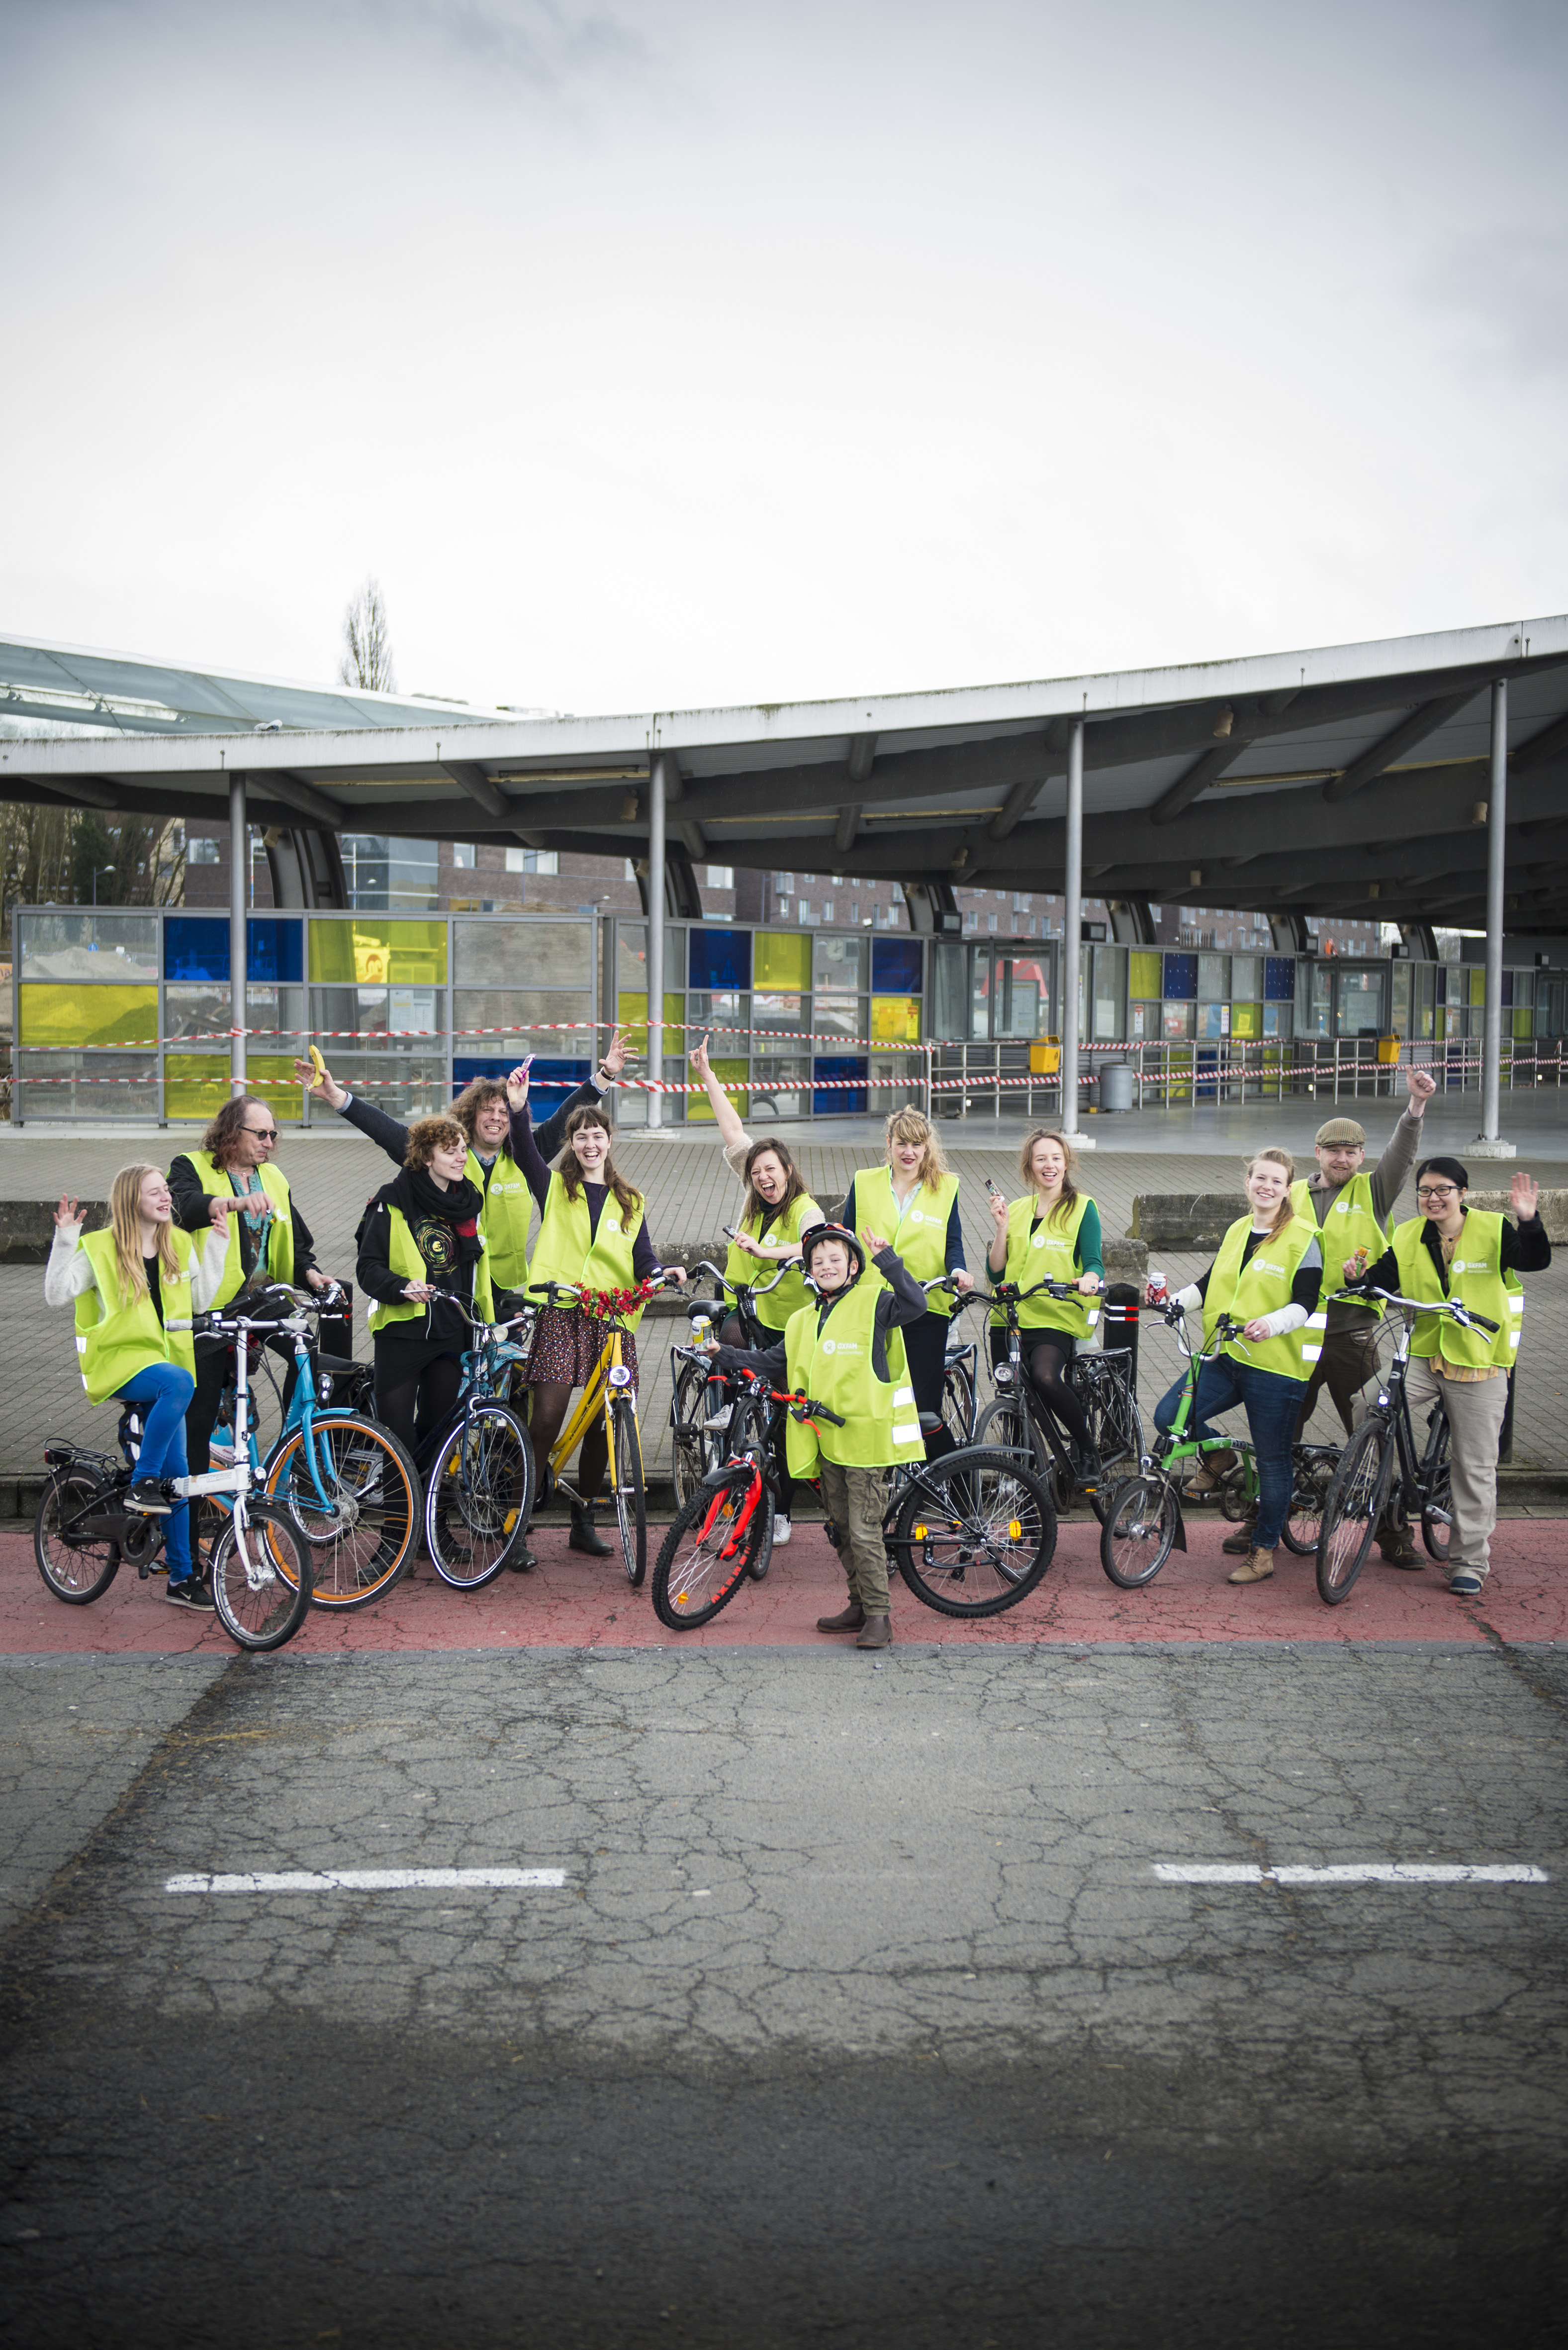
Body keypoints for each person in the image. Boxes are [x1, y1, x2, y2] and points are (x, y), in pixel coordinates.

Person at [1224, 1064, 1435, 1569]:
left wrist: (1415, 1108)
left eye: (1351, 1151)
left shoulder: (1374, 1190)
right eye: (1333, 1149)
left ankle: (1392, 1531)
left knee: (1371, 1430)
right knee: (1278, 1431)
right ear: (1317, 1153)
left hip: (1350, 1332)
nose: (1342, 1158)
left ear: (1362, 1157)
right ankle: (1263, 1518)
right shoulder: (1290, 1196)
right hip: (1292, 1332)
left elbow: (1403, 1157)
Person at [706, 1222, 926, 1651]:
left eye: (835, 1259)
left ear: (853, 1266)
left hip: (865, 1439)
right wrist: (725, 1354)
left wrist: (888, 1259)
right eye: (817, 1261)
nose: (826, 1266)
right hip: (824, 1439)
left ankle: (879, 1616)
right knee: (841, 1527)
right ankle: (858, 1604)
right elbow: (773, 1361)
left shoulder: (876, 1303)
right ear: (808, 1270)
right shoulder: (802, 1319)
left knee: (864, 1531)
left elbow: (916, 1303)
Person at [294, 1031, 630, 1300]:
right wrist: (338, 1097)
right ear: (471, 1115)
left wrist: (605, 1075)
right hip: (448, 1277)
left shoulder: (527, 1157)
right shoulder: (442, 1155)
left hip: (502, 1283)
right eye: (487, 1110)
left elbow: (562, 1119)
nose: (496, 1118)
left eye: (503, 1112)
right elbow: (388, 1133)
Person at [1343, 1160, 1550, 1598]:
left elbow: (1533, 1261)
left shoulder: (1494, 1229)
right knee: (1366, 1401)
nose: (1432, 1198)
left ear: (1463, 1193)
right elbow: (1385, 1276)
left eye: (1443, 1190)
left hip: (1479, 1360)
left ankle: (1469, 1561)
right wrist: (1359, 1279)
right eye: (1424, 1191)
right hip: (1423, 1354)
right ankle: (1385, 1482)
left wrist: (1528, 1220)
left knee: (1473, 1467)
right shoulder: (1407, 1234)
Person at [508, 1084, 686, 1557]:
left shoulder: (631, 1199)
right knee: (545, 1419)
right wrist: (520, 1107)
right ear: (572, 1143)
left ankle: (582, 1519)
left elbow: (642, 1256)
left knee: (602, 1428)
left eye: (597, 1136)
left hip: (611, 1323)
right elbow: (525, 1152)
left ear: (609, 1142)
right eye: (581, 1136)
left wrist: (659, 1273)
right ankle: (519, 1517)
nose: (590, 1144)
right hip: (562, 1314)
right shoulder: (554, 1188)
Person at [45, 1165, 230, 1610]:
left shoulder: (178, 1243)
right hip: (122, 1362)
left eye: (166, 1191)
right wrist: (67, 1238)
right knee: (178, 1387)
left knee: (180, 1477)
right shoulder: (101, 1248)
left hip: (167, 1371)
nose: (166, 1198)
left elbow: (200, 1301)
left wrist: (219, 1245)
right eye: (155, 1192)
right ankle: (142, 1481)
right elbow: (56, 1294)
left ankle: (182, 1579)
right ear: (133, 1201)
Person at [1148, 1147, 1324, 1587]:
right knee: (1170, 1417)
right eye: (1259, 1178)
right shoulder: (1237, 1229)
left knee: (1272, 1462)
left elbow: (1306, 1302)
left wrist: (1272, 1323)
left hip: (1275, 1366)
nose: (1266, 1187)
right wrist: (1174, 1302)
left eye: (1276, 1182)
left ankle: (1262, 1552)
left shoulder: (1305, 1236)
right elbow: (1211, 1284)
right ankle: (1219, 1454)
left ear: (1287, 1190)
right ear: (1247, 1181)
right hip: (1224, 1355)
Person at [688, 1034, 826, 1546]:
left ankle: (783, 1511)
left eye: (772, 1170)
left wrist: (774, 1252)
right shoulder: (750, 1189)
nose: (764, 1177)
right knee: (725, 1335)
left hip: (790, 1321)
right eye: (757, 1171)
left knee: (788, 1420)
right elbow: (732, 1128)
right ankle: (728, 1404)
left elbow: (817, 1238)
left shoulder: (803, 1205)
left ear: (788, 1171)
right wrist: (706, 1075)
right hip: (747, 1304)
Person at [169, 1098, 331, 1478]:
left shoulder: (274, 1178)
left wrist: (310, 1274)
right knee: (200, 1414)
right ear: (231, 1133)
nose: (269, 1143)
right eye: (261, 1134)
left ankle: (292, 1449)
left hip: (261, 1300)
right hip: (209, 1307)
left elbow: (296, 1243)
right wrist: (233, 1203)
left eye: (273, 1134)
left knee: (305, 1351)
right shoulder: (189, 1166)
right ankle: (190, 1511)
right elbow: (182, 1207)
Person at [356, 1115, 495, 1461]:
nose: (461, 1157)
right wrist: (401, 1285)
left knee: (438, 1431)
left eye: (463, 1150)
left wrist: (483, 1325)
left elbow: (475, 1275)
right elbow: (368, 1268)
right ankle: (398, 1514)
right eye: (450, 1152)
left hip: (449, 1333)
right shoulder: (391, 1201)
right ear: (427, 1158)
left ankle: (431, 1511)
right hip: (403, 1333)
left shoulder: (469, 1205)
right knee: (395, 1437)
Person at [840, 1108, 972, 1458]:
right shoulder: (864, 1181)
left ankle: (950, 1485)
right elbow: (846, 1239)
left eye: (917, 1144)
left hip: (926, 1307)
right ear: (889, 1144)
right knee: (876, 1399)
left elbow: (953, 1243)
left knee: (923, 1408)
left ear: (927, 1148)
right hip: (873, 1306)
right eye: (902, 1143)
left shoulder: (945, 1188)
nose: (908, 1152)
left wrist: (958, 1270)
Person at [985, 1128, 1106, 1487]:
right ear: (1029, 1166)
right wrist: (1002, 1228)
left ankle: (1086, 1448)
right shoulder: (1018, 1210)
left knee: (1046, 1377)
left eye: (1055, 1158)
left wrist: (1090, 1280)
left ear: (1066, 1163)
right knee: (1013, 1395)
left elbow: (1095, 1263)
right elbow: (995, 1271)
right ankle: (1025, 1475)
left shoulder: (1083, 1208)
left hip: (1054, 1316)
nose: (1048, 1165)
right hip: (1008, 1318)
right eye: (1041, 1159)